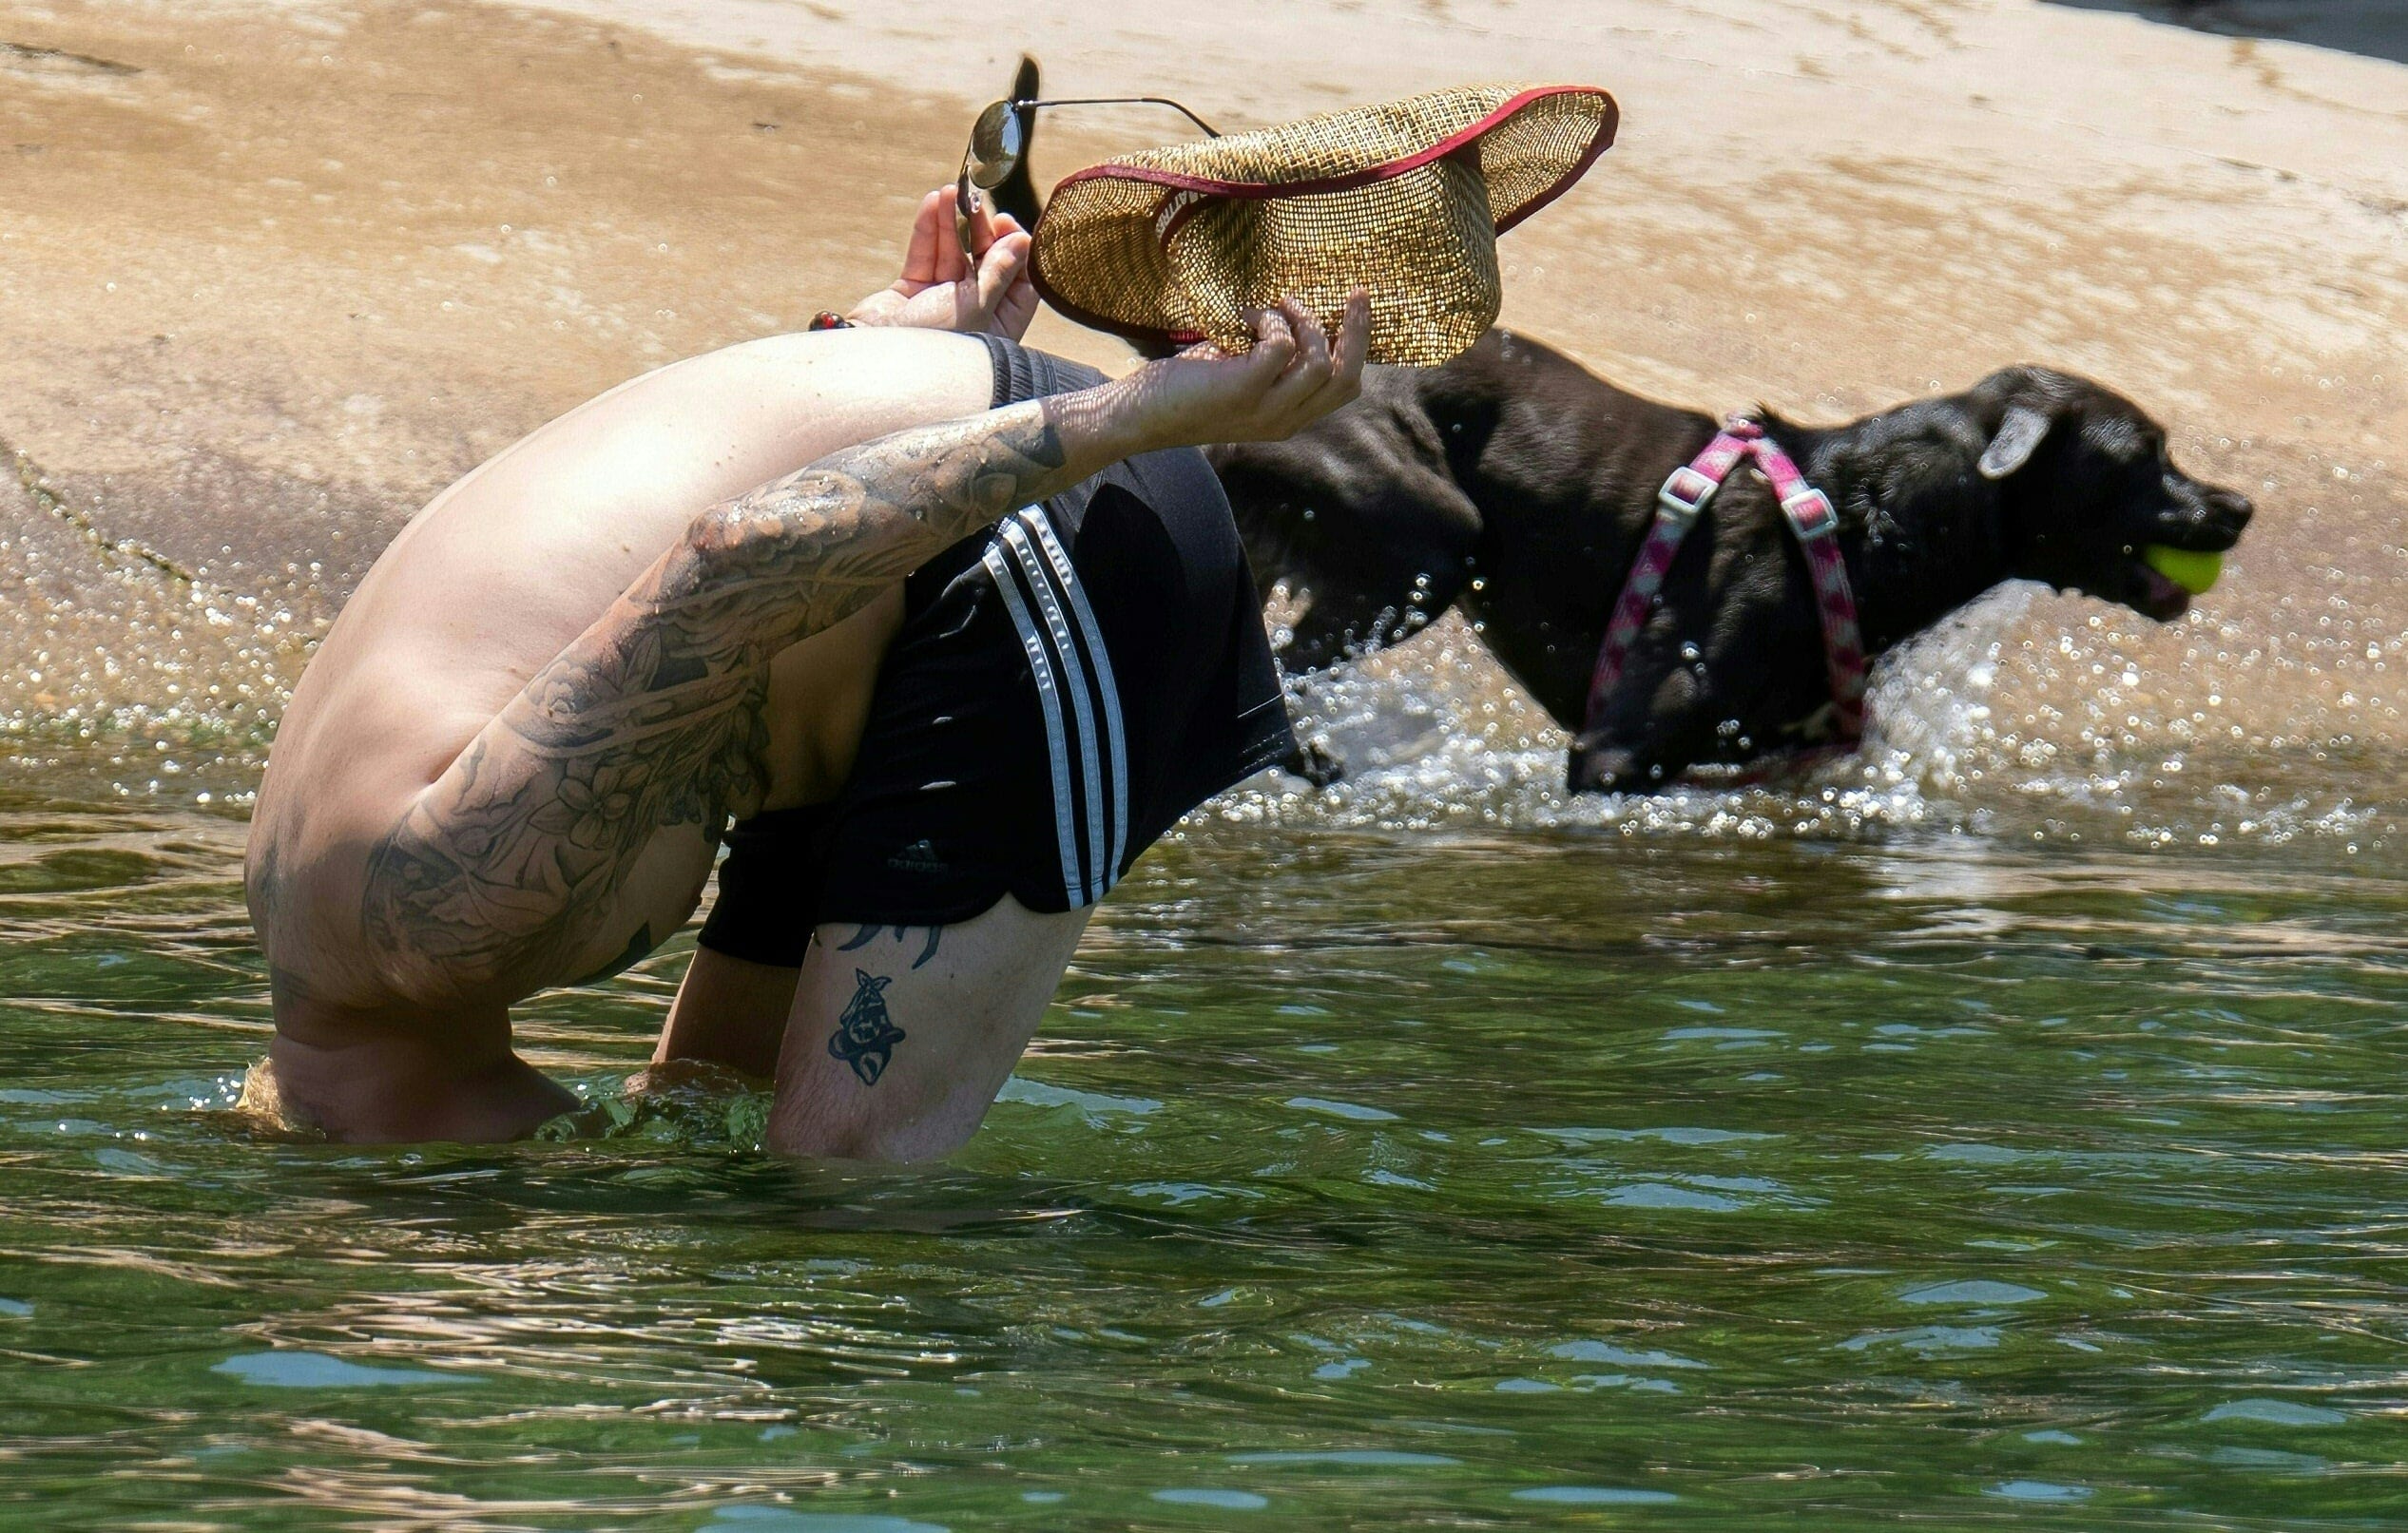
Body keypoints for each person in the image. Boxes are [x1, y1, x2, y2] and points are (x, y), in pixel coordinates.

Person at [243, 187, 1370, 1153]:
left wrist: (1133, 413)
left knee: (841, 1181)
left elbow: (740, 556)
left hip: (1030, 526)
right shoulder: (317, 922)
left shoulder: (449, 913)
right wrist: (868, 349)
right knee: (700, 1120)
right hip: (815, 610)